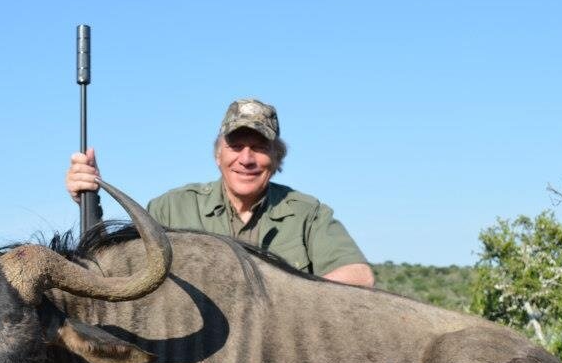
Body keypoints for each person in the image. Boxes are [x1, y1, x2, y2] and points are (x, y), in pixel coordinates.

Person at [66, 98, 375, 288]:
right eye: (236, 146)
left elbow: (359, 276)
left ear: (277, 158)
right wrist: (90, 200)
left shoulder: (308, 213)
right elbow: (118, 268)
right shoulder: (171, 208)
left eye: (259, 148)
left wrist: (273, 294)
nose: (247, 158)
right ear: (218, 155)